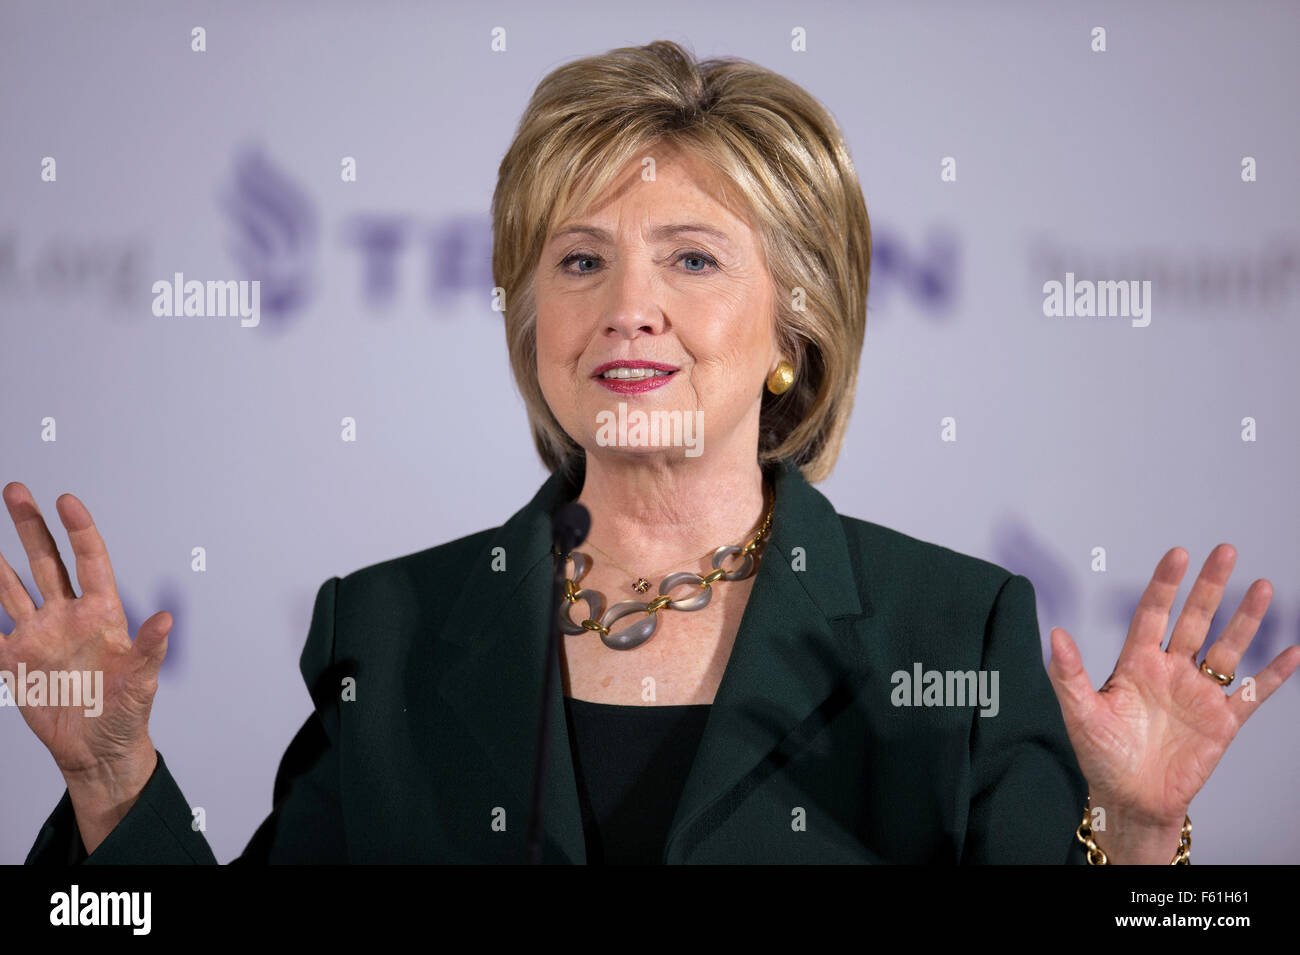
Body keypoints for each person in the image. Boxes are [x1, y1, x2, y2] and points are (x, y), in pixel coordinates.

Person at [6, 40, 1297, 865]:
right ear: (531, 322)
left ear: (797, 320)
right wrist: (115, 782)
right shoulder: (391, 629)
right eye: (580, 261)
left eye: (691, 257)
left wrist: (1137, 835)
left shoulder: (948, 633)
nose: (630, 306)